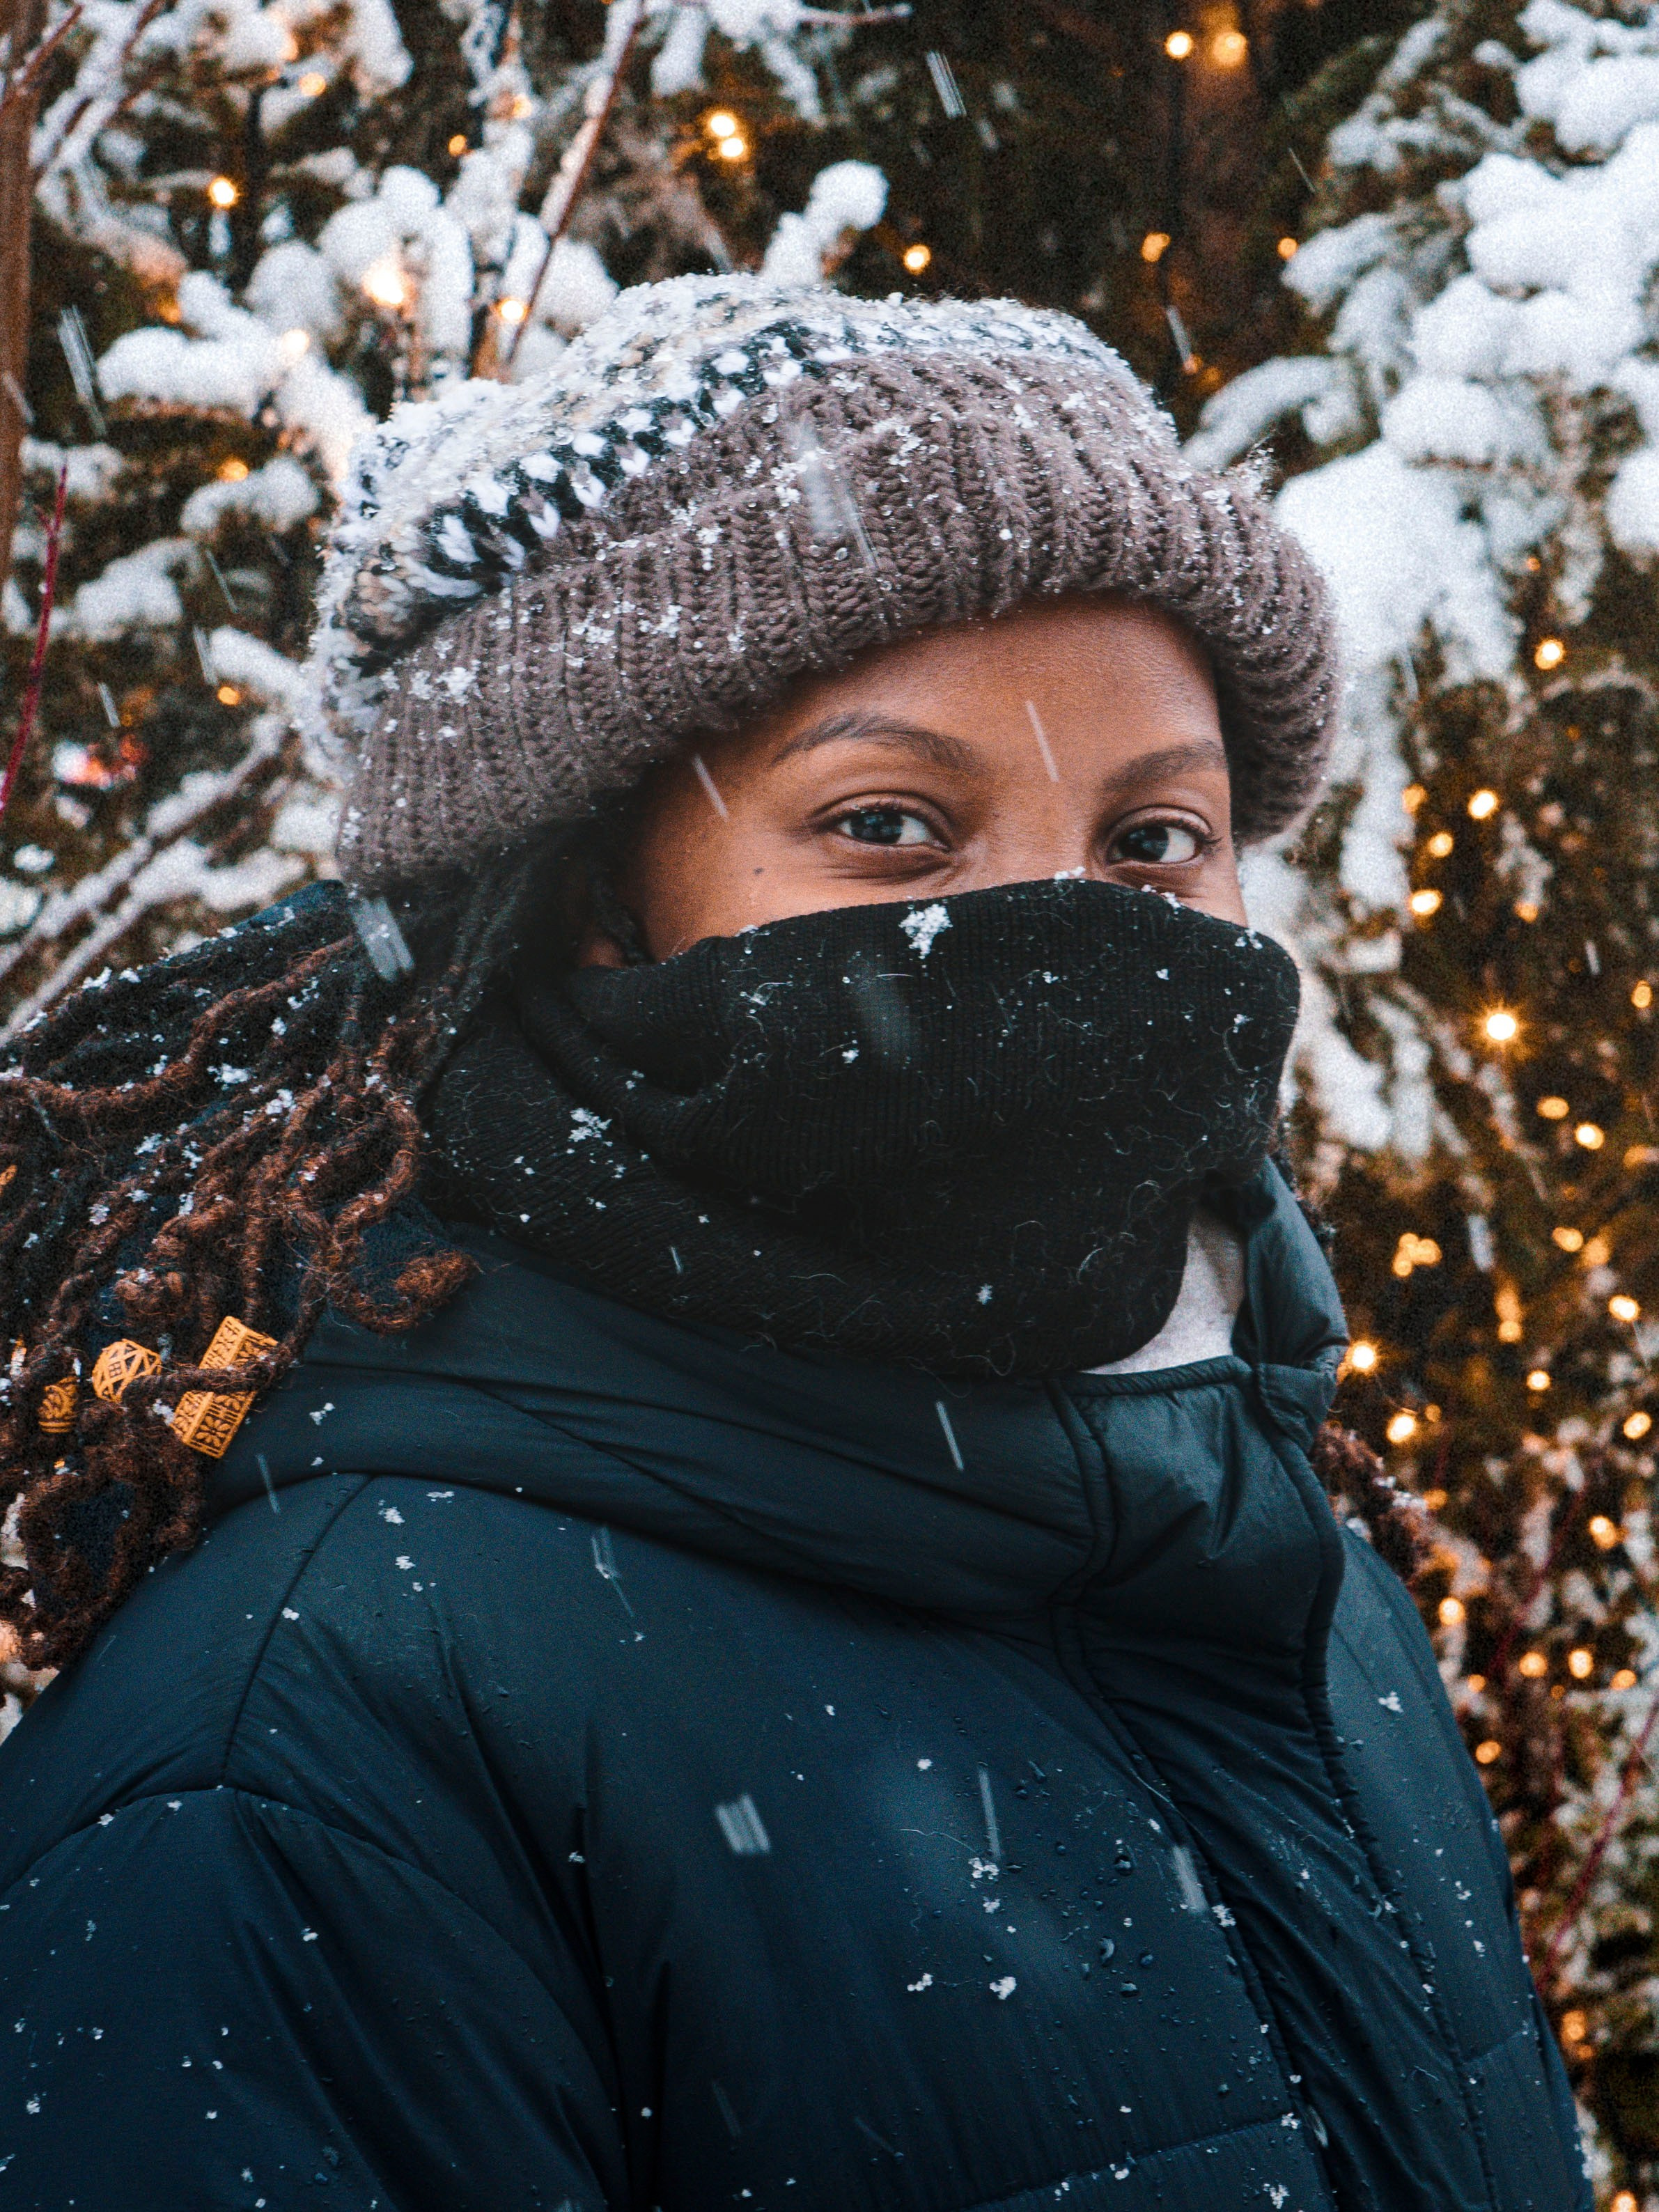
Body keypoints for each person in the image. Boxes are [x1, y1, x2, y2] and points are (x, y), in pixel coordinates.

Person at [0, 280, 1584, 2211]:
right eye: (896, 823)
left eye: (1156, 840)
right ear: (595, 902)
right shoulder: (317, 1733)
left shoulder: (1297, 1594)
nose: (1068, 933)